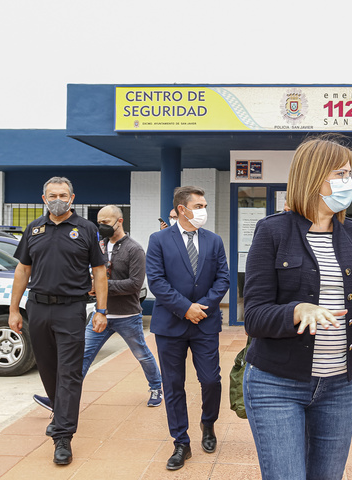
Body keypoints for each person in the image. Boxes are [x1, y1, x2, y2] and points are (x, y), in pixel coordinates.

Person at [242, 134, 352, 480]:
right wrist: (296, 311)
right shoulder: (272, 231)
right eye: (340, 174)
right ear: (312, 176)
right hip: (277, 383)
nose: (348, 182)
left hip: (340, 386)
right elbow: (254, 316)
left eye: (350, 174)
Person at [8, 176, 108, 465]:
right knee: (48, 369)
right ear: (43, 199)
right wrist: (14, 310)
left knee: (69, 373)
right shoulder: (34, 229)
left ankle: (63, 436)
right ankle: (61, 412)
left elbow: (100, 272)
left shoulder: (87, 229)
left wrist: (102, 311)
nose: (58, 199)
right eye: (52, 195)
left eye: (63, 195)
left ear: (72, 198)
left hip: (71, 309)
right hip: (37, 309)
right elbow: (22, 270)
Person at [31, 205, 163, 412]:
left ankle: (156, 387)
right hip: (100, 314)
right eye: (99, 222)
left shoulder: (134, 249)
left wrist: (102, 286)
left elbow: (135, 284)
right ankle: (60, 399)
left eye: (106, 223)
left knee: (142, 354)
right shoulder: (99, 244)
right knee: (81, 357)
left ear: (120, 221)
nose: (102, 226)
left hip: (127, 315)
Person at [146, 186, 230, 471]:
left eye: (204, 204)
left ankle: (208, 424)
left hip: (205, 323)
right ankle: (181, 442)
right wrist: (185, 308)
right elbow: (156, 281)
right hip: (170, 325)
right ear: (182, 209)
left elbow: (223, 279)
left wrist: (201, 307)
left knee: (210, 380)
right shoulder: (158, 240)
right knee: (173, 385)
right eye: (199, 205)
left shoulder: (214, 240)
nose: (203, 210)